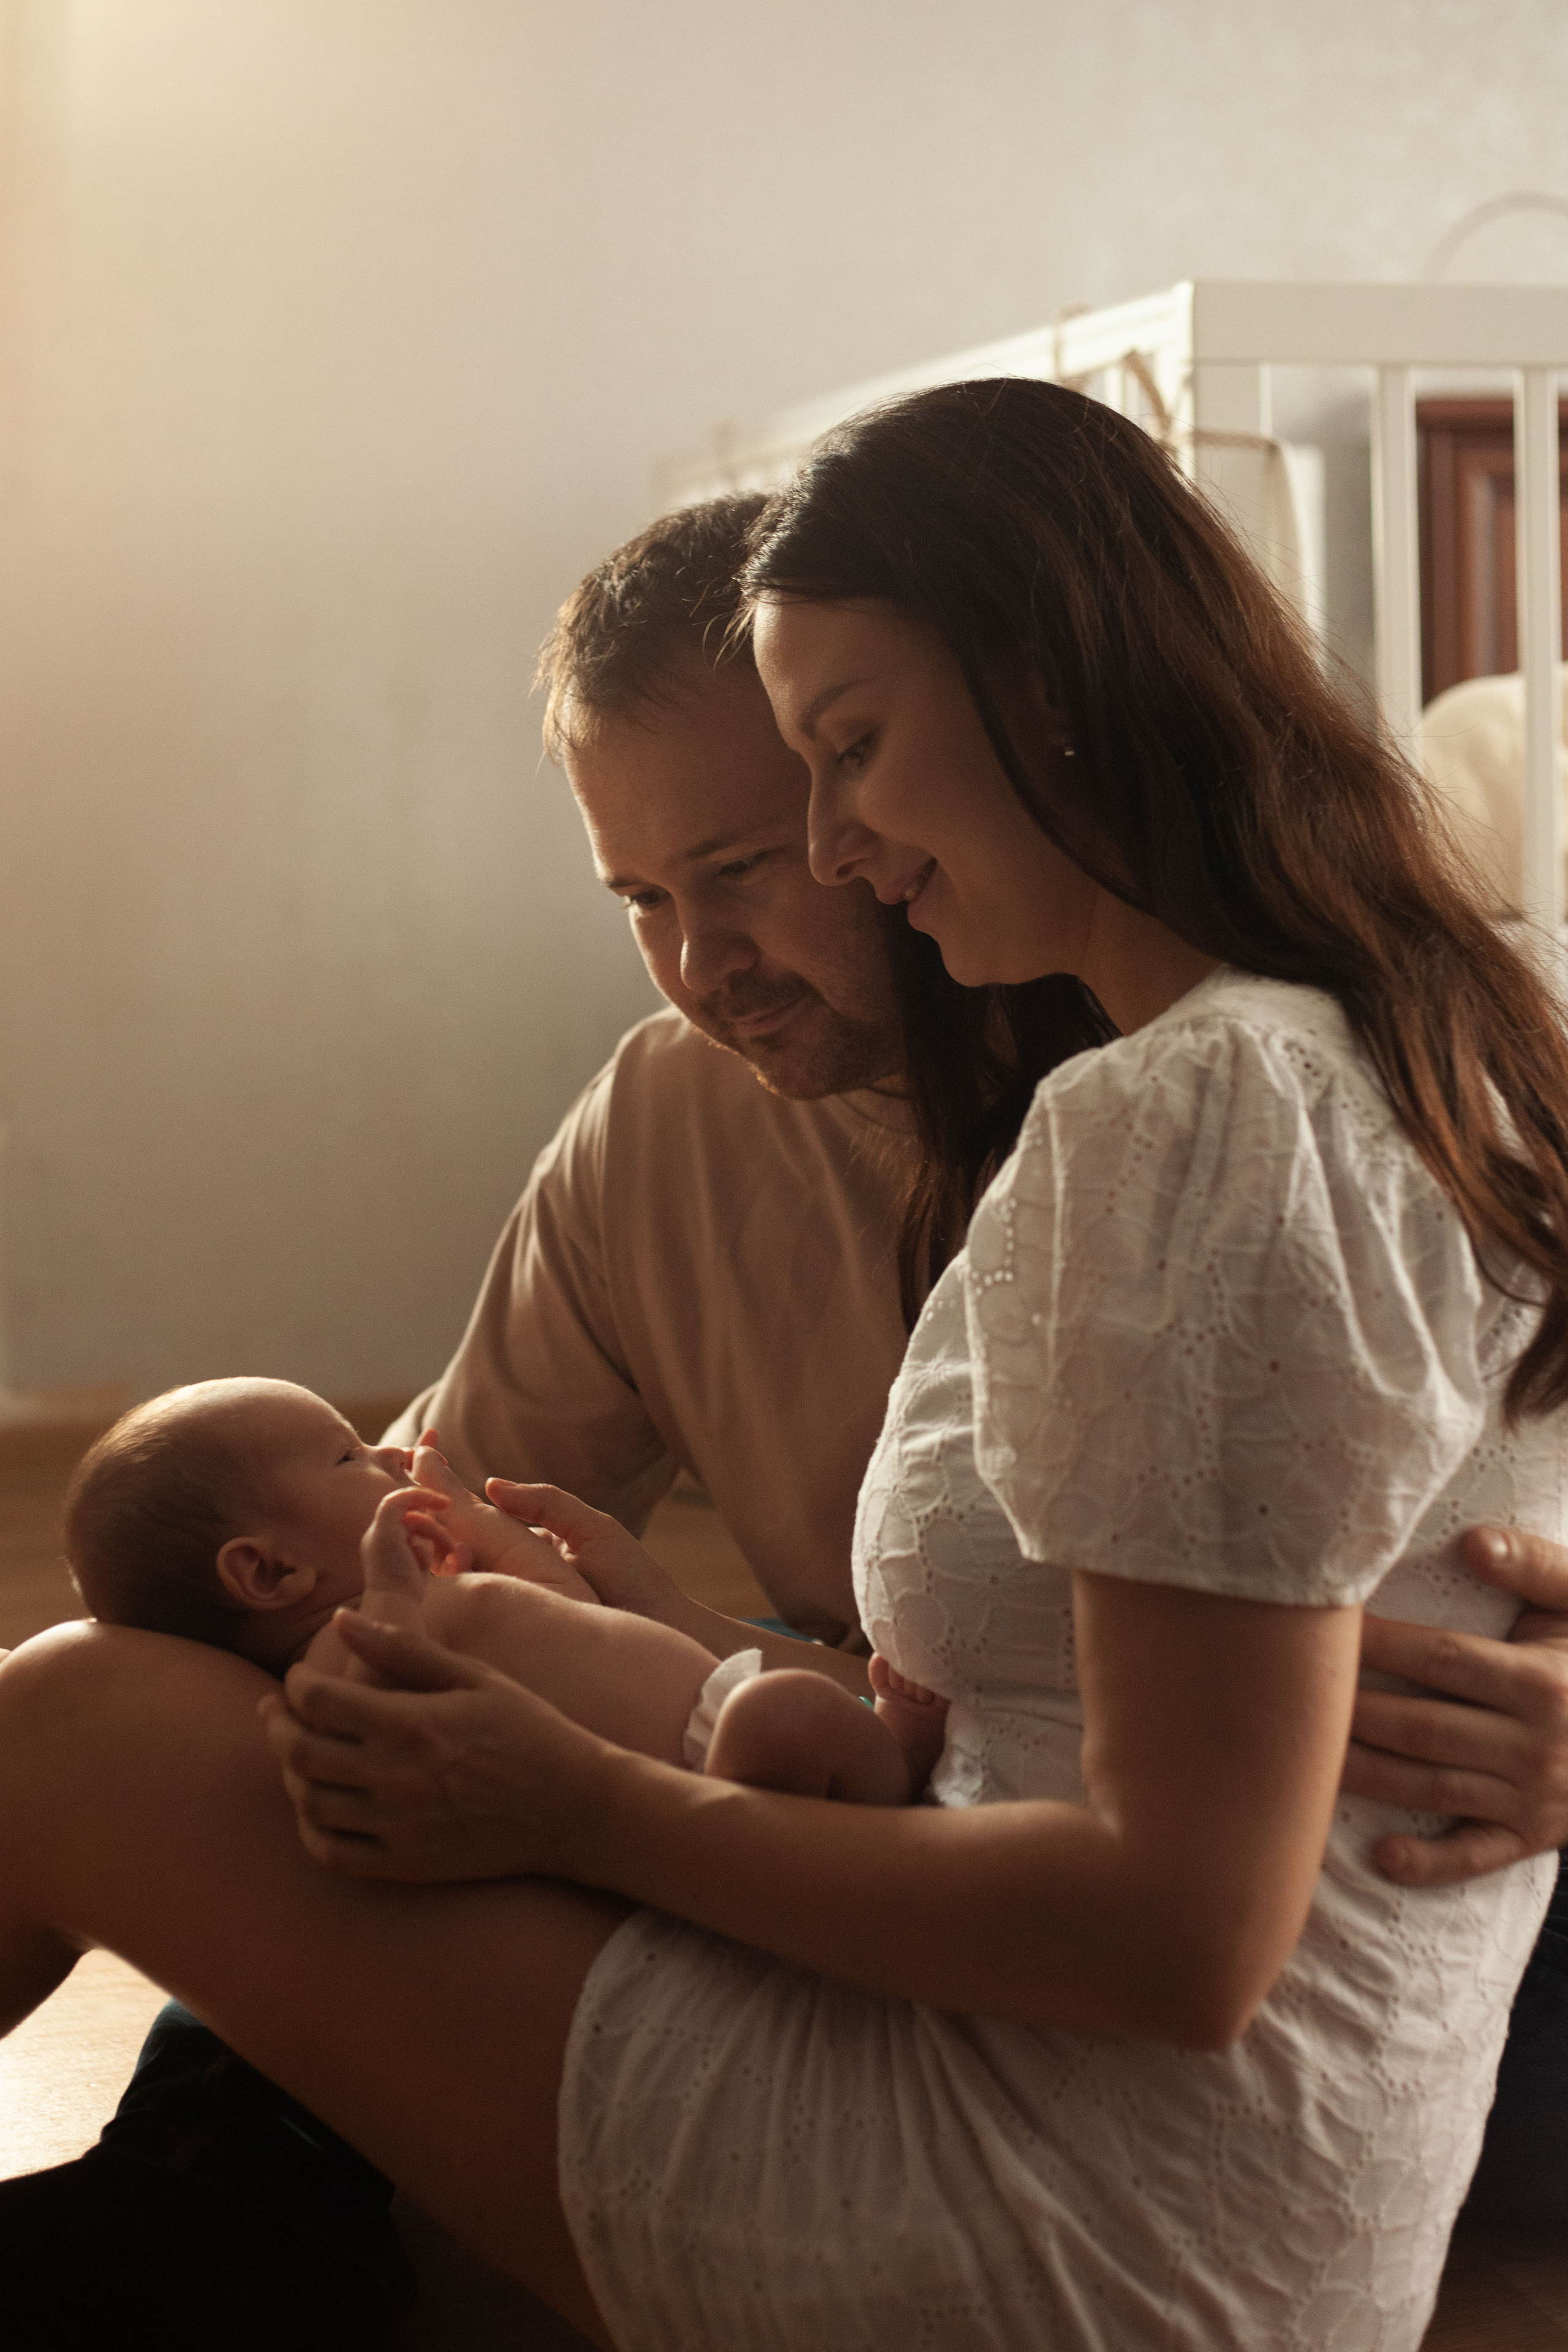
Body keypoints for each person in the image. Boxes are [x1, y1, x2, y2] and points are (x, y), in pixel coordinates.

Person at [2, 376, 1566, 2351]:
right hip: (980, 1892)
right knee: (281, 1737)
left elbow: (1186, 1898)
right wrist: (620, 1654)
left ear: (1026, 697)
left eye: (763, 843)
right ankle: (229, 2197)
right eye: (643, 900)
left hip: (1252, 2029)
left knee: (69, 1730)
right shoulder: (701, 1115)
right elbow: (347, 1585)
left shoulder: (1210, 1105)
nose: (699, 959)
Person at [66, 1376, 944, 1802]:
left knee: (787, 1705)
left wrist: (517, 1553)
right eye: (347, 1456)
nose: (390, 1456)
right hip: (704, 1772)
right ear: (270, 1573)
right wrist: (398, 1593)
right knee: (785, 1713)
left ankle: (891, 1759)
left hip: (707, 1713)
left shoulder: (455, 1599)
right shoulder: (346, 1649)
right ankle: (897, 1769)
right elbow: (370, 1700)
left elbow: (577, 1618)